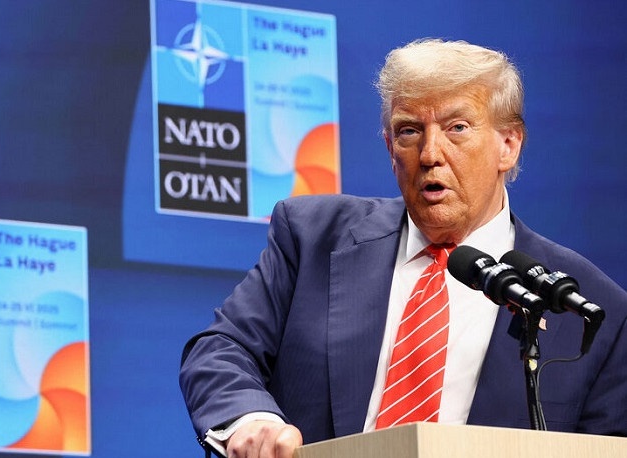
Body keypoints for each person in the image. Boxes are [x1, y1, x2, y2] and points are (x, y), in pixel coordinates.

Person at [179, 38, 627, 458]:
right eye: (409, 131)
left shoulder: (592, 309)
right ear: (390, 147)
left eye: (457, 128)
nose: (430, 154)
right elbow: (220, 349)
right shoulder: (311, 237)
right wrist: (251, 419)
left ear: (508, 145)